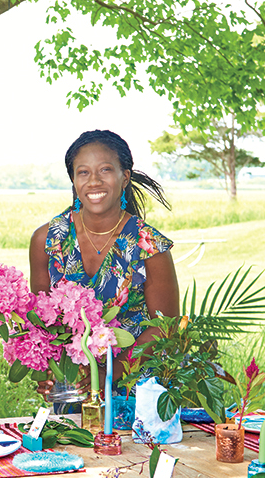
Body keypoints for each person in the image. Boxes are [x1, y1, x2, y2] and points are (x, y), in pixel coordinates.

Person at [29, 129, 179, 388]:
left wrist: (110, 374)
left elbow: (165, 328)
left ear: (125, 178)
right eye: (83, 172)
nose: (94, 181)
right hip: (73, 386)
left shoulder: (150, 246)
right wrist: (50, 375)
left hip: (136, 386)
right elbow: (41, 322)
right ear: (74, 181)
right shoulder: (48, 240)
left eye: (105, 170)